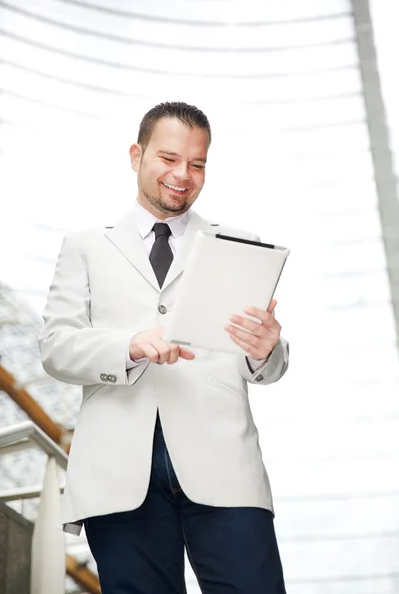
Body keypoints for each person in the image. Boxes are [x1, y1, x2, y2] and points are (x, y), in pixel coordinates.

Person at [39, 101, 289, 594]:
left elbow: (267, 364)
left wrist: (265, 349)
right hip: (120, 471)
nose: (184, 175)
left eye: (197, 164)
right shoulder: (86, 247)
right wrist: (129, 345)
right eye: (169, 158)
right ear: (137, 155)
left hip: (223, 464)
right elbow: (55, 347)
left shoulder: (238, 244)